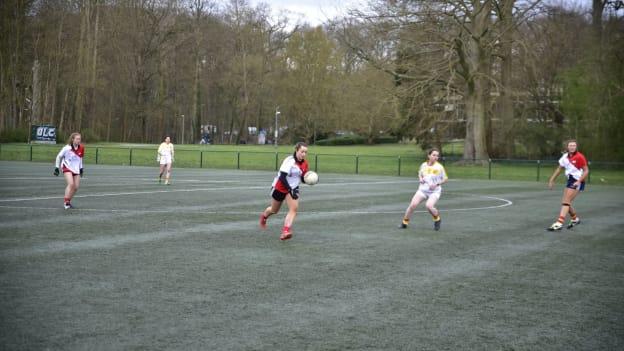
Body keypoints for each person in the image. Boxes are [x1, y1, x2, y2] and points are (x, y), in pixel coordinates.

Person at [259, 142, 310, 240]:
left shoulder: (304, 163)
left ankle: (285, 231)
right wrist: (289, 189)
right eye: (302, 151)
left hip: (293, 187)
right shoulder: (289, 161)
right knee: (274, 210)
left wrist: (308, 179)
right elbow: (282, 177)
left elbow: (302, 178)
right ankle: (264, 216)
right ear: (296, 150)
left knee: (293, 209)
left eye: (305, 152)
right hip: (280, 187)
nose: (304, 154)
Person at [399, 148, 448, 231]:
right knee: (412, 205)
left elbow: (445, 179)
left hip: (434, 191)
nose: (436, 157)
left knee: (429, 206)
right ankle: (404, 223)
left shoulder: (439, 167)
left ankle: (437, 219)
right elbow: (420, 173)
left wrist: (436, 184)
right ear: (429, 155)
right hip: (422, 190)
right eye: (434, 155)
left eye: (437, 155)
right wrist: (420, 178)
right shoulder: (423, 165)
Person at [547, 139, 589, 231]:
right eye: (570, 145)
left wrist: (579, 181)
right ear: (567, 147)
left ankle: (559, 223)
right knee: (566, 202)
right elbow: (559, 169)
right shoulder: (565, 157)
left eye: (574, 145)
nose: (572, 147)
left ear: (576, 147)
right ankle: (575, 219)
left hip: (577, 180)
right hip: (570, 180)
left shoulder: (580, 157)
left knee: (566, 202)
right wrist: (552, 180)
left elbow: (586, 171)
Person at [54, 132, 84, 209]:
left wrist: (81, 168)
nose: (79, 140)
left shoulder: (81, 148)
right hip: (66, 167)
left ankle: (68, 201)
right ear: (72, 139)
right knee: (71, 184)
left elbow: (80, 158)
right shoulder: (67, 148)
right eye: (77, 139)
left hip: (76, 169)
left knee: (76, 187)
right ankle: (66, 203)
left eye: (79, 139)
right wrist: (56, 168)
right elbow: (59, 156)